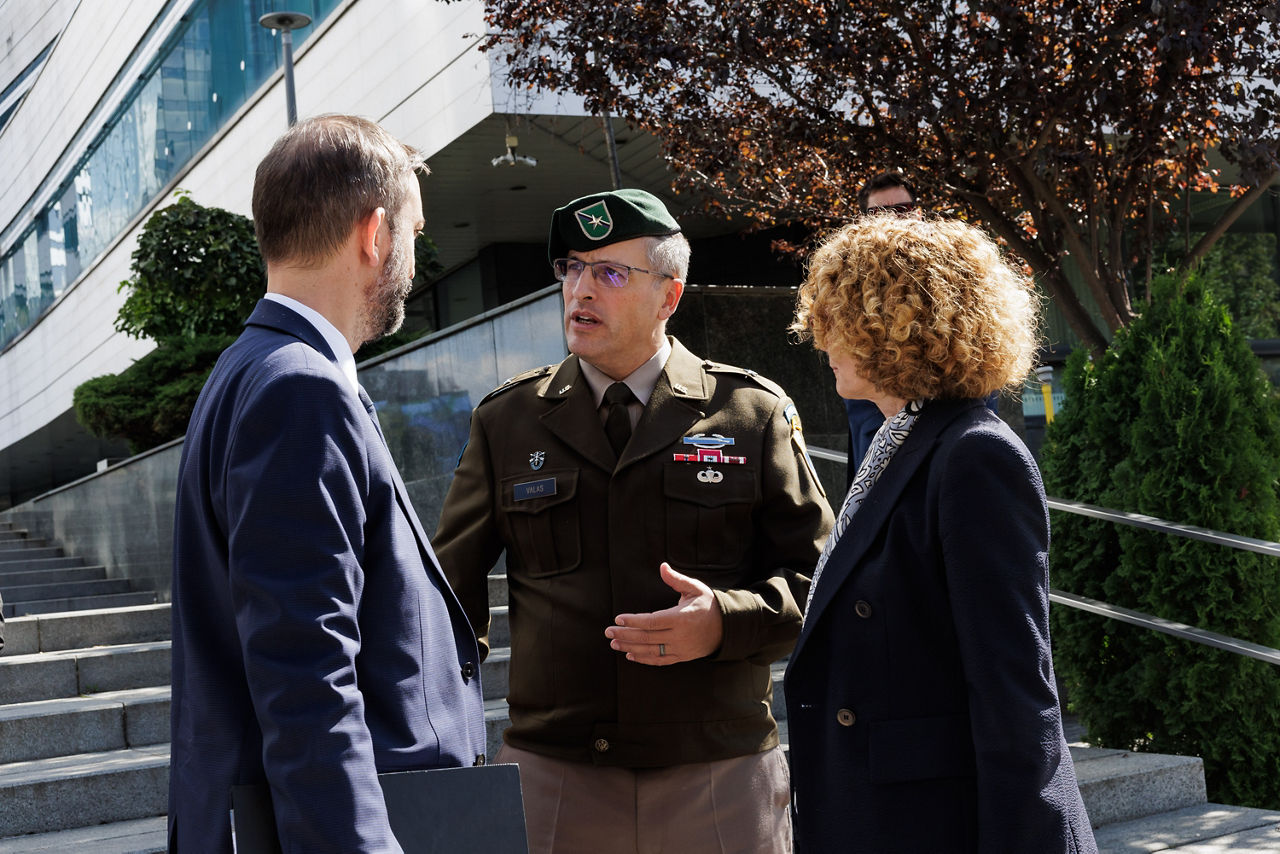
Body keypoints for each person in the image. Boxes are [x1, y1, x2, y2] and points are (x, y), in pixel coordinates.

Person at [434, 188, 833, 853]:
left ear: (669, 296)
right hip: (554, 775)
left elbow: (825, 582)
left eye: (610, 273)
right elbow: (449, 593)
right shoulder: (507, 421)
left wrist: (724, 621)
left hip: (717, 772)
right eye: (572, 269)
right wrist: (448, 733)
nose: (580, 289)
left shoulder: (749, 413)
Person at [168, 115, 486, 853]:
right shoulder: (300, 390)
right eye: (414, 233)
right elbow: (306, 675)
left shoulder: (252, 370)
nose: (415, 257)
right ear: (374, 234)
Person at [785, 215, 1096, 853]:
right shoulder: (899, 442)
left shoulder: (974, 456)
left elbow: (1013, 680)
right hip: (880, 809)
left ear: (894, 326)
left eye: (838, 317)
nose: (821, 339)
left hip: (933, 821)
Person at [842, 172, 998, 485]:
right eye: (879, 213)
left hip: (957, 415)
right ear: (862, 221)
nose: (893, 220)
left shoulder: (957, 266)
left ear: (918, 212)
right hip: (880, 424)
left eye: (902, 209)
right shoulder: (850, 280)